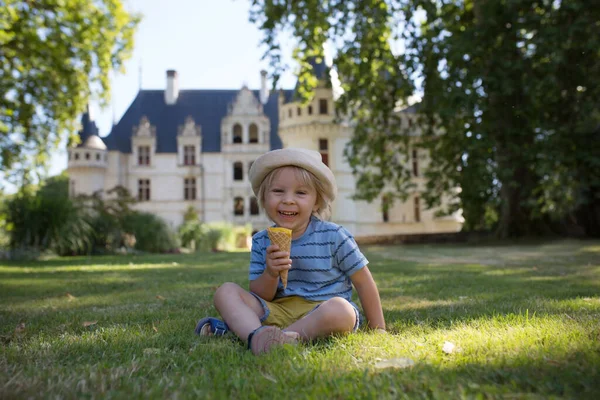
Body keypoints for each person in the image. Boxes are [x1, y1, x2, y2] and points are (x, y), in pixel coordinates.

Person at [196, 148, 386, 355]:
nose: (288, 199)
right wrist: (270, 273)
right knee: (226, 291)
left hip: (321, 312)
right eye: (278, 191)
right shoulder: (262, 241)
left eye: (301, 193)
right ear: (264, 198)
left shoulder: (335, 236)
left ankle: (257, 336)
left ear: (317, 201)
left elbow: (363, 282)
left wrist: (379, 329)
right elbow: (260, 295)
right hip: (277, 310)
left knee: (342, 310)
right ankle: (261, 336)